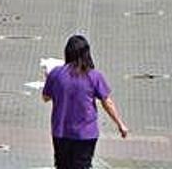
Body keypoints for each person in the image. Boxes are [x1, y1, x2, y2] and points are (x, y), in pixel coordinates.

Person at [43, 35, 128, 169]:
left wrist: (48, 78)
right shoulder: (94, 76)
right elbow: (107, 102)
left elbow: (46, 97)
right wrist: (120, 124)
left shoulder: (56, 74)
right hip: (86, 133)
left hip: (61, 132)